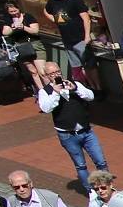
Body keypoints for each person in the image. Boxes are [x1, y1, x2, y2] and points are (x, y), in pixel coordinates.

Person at [36, 63, 105, 192]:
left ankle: (106, 186)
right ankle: (91, 192)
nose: (56, 75)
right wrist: (56, 93)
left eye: (58, 71)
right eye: (52, 74)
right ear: (46, 76)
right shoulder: (45, 92)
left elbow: (91, 96)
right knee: (81, 165)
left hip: (86, 131)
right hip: (67, 135)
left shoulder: (74, 84)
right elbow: (46, 108)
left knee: (100, 161)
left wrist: (76, 89)